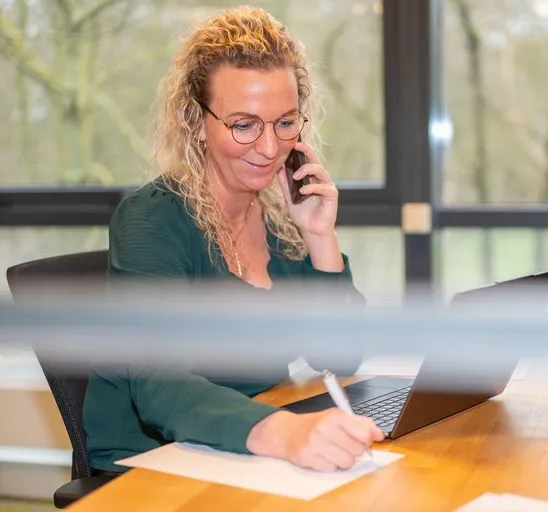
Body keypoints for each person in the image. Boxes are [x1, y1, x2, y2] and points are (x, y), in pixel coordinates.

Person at [83, 6, 383, 475]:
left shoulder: (282, 222)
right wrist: (285, 434)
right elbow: (159, 382)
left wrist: (319, 237)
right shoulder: (150, 220)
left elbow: (340, 357)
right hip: (150, 465)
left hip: (252, 447)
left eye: (285, 122)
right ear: (195, 121)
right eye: (244, 125)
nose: (269, 148)